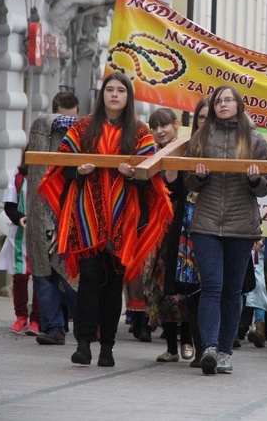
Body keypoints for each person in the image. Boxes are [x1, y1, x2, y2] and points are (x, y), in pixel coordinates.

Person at [39, 72, 172, 367]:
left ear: (128, 97)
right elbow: (63, 165)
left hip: (122, 217)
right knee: (89, 279)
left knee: (112, 283)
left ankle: (108, 348)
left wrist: (133, 175)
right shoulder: (84, 127)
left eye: (120, 90)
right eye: (109, 90)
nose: (114, 95)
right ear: (102, 95)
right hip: (85, 216)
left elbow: (151, 175)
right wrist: (79, 171)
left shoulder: (139, 132)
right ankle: (84, 344)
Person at [185, 85, 267, 375]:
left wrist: (254, 180)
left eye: (228, 100)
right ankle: (208, 348)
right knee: (211, 286)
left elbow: (265, 188)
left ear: (238, 105)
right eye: (218, 101)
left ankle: (224, 351)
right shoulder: (200, 137)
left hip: (241, 225)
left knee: (233, 291)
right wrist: (198, 177)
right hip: (206, 223)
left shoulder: (255, 140)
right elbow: (188, 183)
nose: (222, 105)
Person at [144, 106, 200, 364]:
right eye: (154, 127)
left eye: (163, 125)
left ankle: (187, 339)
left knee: (183, 285)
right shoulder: (149, 155)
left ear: (176, 124)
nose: (159, 131)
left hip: (182, 230)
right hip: (156, 230)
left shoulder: (188, 152)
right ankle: (170, 346)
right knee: (159, 287)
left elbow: (177, 192)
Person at [27, 91, 79, 346]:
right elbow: (45, 123)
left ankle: (86, 324)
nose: (68, 123)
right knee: (43, 275)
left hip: (68, 214)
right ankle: (53, 328)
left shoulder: (83, 135)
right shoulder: (41, 129)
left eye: (73, 117)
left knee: (70, 275)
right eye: (62, 117)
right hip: (41, 214)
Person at [0, 151, 41, 336]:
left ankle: (37, 319)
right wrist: (20, 218)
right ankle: (21, 316)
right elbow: (9, 206)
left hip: (43, 234)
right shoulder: (19, 178)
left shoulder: (51, 175)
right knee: (20, 277)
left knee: (41, 278)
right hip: (21, 234)